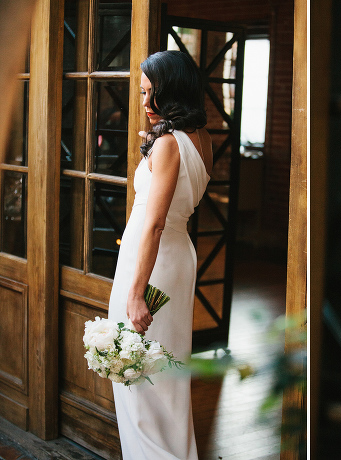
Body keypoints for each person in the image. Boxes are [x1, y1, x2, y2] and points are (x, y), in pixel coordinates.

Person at [107, 50, 212, 460]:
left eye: (153, 94)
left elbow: (153, 223)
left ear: (174, 94)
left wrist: (136, 293)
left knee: (137, 376)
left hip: (150, 262)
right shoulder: (199, 139)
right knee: (163, 374)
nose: (146, 104)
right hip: (174, 258)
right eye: (142, 93)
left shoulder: (169, 144)